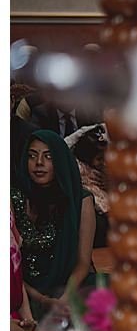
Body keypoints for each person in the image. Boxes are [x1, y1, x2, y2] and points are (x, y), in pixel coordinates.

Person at [12, 130, 95, 319]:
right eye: (32, 156)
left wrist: (64, 298)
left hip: (69, 285)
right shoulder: (13, 197)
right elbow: (10, 266)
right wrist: (41, 299)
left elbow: (83, 262)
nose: (39, 163)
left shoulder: (80, 200)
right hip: (23, 291)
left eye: (48, 157)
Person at [66, 124, 109, 248]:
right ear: (87, 157)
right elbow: (63, 145)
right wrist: (82, 132)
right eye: (100, 159)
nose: (105, 162)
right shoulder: (77, 169)